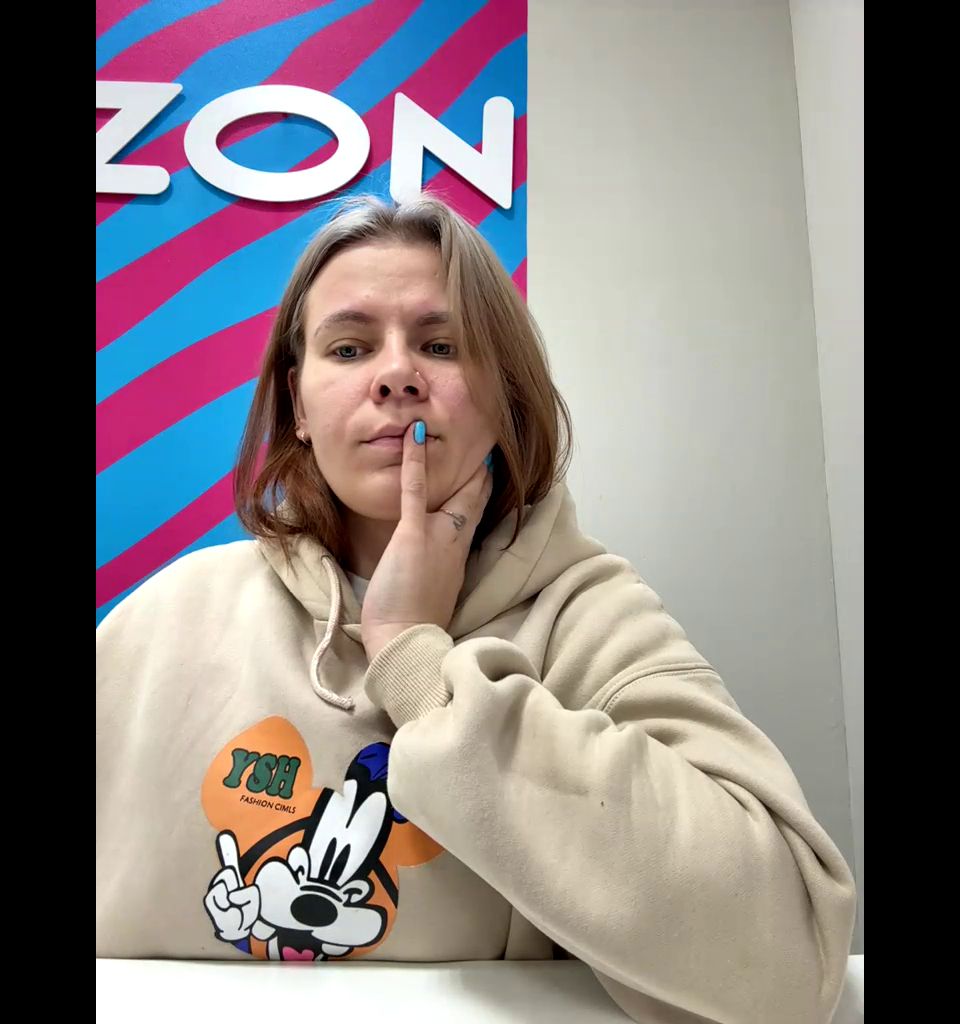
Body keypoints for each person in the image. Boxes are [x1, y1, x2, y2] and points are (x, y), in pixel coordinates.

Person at [96, 194, 856, 1024]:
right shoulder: (164, 620)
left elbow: (789, 969)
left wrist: (414, 658)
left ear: (504, 398)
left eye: (441, 346)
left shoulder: (589, 616)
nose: (396, 375)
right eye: (349, 348)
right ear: (299, 406)